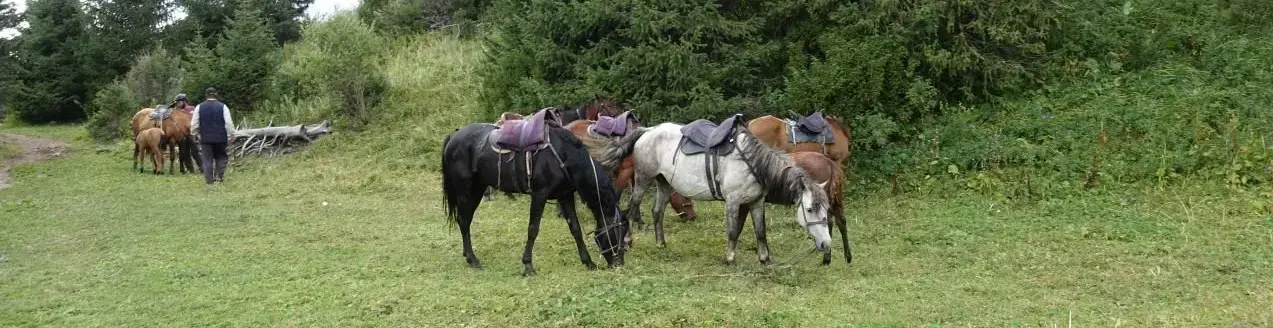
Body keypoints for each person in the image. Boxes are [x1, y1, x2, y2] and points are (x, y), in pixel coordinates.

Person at [190, 87, 234, 185]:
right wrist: (232, 134)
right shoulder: (223, 106)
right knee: (221, 157)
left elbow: (194, 123)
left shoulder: (199, 107)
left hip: (205, 138)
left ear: (206, 95)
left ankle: (209, 181)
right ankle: (219, 177)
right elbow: (228, 122)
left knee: (207, 159)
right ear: (216, 94)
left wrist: (194, 134)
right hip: (220, 138)